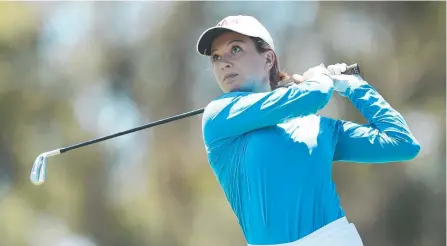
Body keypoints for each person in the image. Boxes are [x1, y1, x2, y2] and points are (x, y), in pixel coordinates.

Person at [196, 15, 420, 246]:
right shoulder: (219, 114)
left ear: (268, 59)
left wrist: (355, 86)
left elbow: (401, 143)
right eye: (216, 56)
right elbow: (316, 94)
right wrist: (320, 78)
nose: (224, 62)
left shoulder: (317, 126)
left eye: (235, 49)